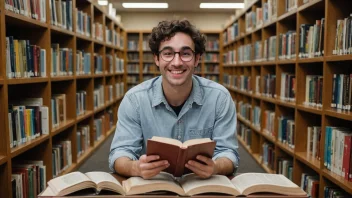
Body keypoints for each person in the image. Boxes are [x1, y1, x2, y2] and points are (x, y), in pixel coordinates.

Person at [109, 19, 239, 179]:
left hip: (201, 188)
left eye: (185, 54)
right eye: (168, 53)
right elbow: (120, 152)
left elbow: (228, 152)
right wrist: (135, 167)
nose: (176, 62)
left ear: (197, 59)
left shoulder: (220, 98)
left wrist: (216, 167)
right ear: (157, 59)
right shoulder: (134, 100)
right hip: (154, 187)